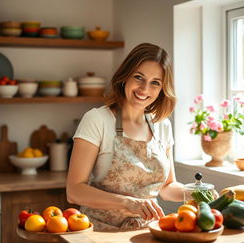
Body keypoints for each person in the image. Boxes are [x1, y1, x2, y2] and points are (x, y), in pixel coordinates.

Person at [66, 42, 184, 231]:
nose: (144, 89)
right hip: (99, 233)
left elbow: (167, 187)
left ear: (163, 88)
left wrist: (196, 192)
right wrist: (129, 203)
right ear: (125, 76)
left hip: (148, 234)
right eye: (139, 77)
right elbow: (74, 191)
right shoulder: (97, 120)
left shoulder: (162, 125)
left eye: (155, 82)